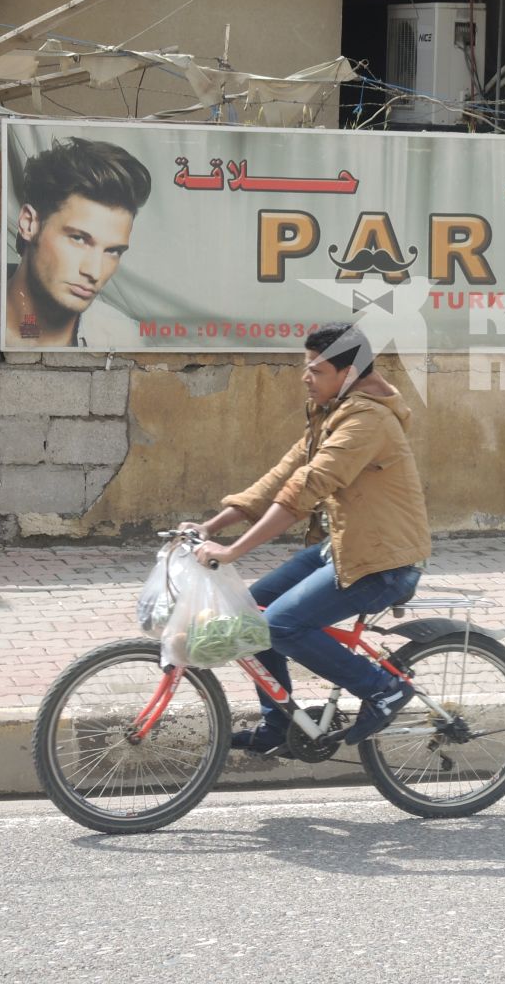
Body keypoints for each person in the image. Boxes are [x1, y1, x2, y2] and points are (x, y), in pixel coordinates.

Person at [188, 322, 432, 753]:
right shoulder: (332, 414)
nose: (306, 378)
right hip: (342, 549)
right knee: (252, 615)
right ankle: (277, 726)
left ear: (349, 373)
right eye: (307, 368)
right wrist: (211, 527)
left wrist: (233, 551)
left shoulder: (368, 420)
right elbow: (282, 475)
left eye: (316, 370)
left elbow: (307, 487)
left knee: (279, 625)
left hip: (382, 564)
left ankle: (382, 689)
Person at [5, 137, 151, 348]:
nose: (94, 272)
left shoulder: (124, 339)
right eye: (78, 239)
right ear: (29, 224)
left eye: (113, 251)